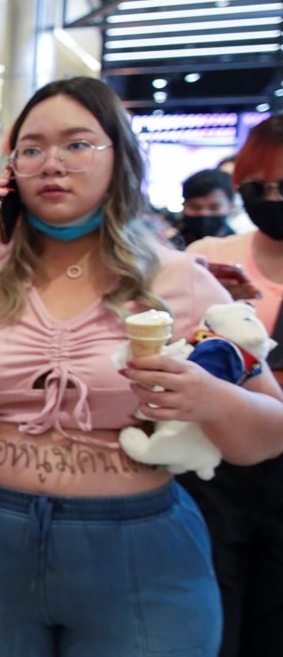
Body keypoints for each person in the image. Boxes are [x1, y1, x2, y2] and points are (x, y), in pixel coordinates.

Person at [0, 77, 283, 656]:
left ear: (118, 157)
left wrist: (209, 399)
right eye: (32, 147)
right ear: (10, 168)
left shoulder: (180, 277)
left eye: (77, 144)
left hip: (137, 546)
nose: (53, 163)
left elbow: (269, 432)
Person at [182, 113, 283, 657]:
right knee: (214, 615)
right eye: (257, 185)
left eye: (282, 185)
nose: (271, 197)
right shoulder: (213, 258)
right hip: (218, 464)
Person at [169, 169, 236, 249]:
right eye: (195, 207)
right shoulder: (169, 246)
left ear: (231, 207)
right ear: (184, 206)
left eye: (214, 208)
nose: (204, 213)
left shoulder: (240, 247)